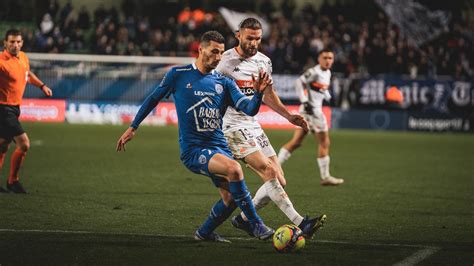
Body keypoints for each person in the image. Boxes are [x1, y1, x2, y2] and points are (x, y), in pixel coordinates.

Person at [116, 31, 274, 242]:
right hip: (194, 150)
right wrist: (133, 127)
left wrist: (258, 94)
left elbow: (249, 108)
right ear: (200, 49)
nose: (218, 57)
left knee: (230, 199)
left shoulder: (224, 82)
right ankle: (257, 225)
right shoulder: (178, 74)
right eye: (214, 52)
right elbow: (153, 99)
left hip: (220, 147)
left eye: (220, 53)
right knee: (234, 169)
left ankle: (204, 232)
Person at [216, 18, 326, 239]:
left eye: (258, 39)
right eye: (249, 38)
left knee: (279, 180)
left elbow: (268, 94)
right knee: (269, 173)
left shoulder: (264, 62)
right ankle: (301, 222)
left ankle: (244, 220)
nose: (254, 43)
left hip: (252, 124)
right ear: (238, 35)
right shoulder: (225, 62)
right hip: (232, 126)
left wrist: (289, 116)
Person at [278, 48, 344, 186]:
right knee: (324, 142)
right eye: (325, 58)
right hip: (312, 111)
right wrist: (304, 100)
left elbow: (321, 88)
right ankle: (325, 176)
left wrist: (328, 96)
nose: (327, 61)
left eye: (330, 58)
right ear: (319, 59)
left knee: (296, 142)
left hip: (309, 111)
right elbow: (299, 82)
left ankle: (274, 166)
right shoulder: (314, 71)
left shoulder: (327, 73)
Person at [0, 29, 53, 194]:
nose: (15, 45)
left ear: (22, 43)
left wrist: (42, 86)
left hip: (15, 108)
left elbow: (27, 75)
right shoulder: (1, 62)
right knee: (24, 144)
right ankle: (13, 181)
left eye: (18, 42)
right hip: (3, 109)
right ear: (5, 43)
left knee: (3, 145)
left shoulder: (23, 57)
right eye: (11, 42)